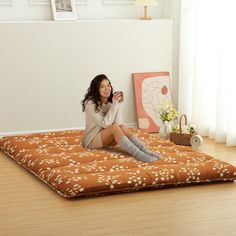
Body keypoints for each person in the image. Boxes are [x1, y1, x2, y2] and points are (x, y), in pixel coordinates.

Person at [81, 74, 161, 162]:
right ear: (96, 89)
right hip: (91, 140)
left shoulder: (110, 100)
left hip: (106, 138)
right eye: (102, 87)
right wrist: (114, 104)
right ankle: (139, 155)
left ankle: (146, 151)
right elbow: (105, 124)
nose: (107, 89)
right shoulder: (90, 103)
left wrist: (116, 104)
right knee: (114, 128)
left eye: (108, 85)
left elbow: (119, 123)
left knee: (121, 127)